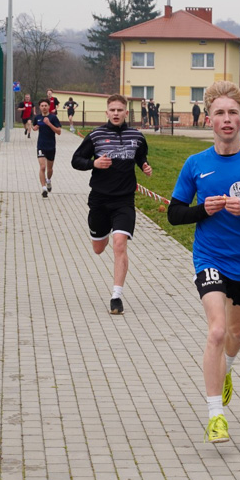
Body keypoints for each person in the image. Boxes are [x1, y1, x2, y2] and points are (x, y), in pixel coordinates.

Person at [167, 81, 240, 444]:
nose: (226, 119)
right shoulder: (195, 164)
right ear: (209, 119)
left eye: (233, 113)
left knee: (235, 335)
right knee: (217, 331)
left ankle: (227, 369)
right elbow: (174, 214)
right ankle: (215, 415)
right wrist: (201, 209)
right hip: (209, 258)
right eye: (219, 112)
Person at [71, 94, 152, 315]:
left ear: (126, 113)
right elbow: (75, 160)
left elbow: (141, 157)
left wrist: (145, 166)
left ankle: (116, 296)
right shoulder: (96, 135)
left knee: (120, 244)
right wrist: (93, 163)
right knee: (99, 248)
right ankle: (101, 233)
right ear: (107, 112)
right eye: (112, 110)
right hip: (99, 199)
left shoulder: (137, 136)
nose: (116, 113)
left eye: (120, 110)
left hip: (124, 200)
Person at [32, 99, 62, 198]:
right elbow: (34, 126)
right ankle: (44, 188)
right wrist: (34, 128)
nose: (44, 107)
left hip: (51, 146)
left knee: (49, 169)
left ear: (49, 107)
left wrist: (49, 124)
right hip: (41, 145)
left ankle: (48, 180)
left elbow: (59, 132)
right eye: (42, 105)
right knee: (42, 167)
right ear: (39, 107)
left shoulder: (53, 118)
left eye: (46, 105)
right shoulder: (37, 117)